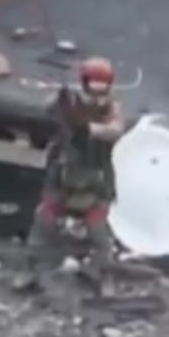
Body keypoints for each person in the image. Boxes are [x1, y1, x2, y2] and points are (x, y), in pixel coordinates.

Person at [26, 57, 126, 290]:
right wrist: (60, 101)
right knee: (44, 219)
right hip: (65, 173)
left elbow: (115, 130)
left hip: (96, 176)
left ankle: (101, 272)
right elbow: (49, 111)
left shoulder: (113, 107)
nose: (97, 89)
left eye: (102, 83)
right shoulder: (73, 101)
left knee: (98, 230)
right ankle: (34, 266)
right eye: (93, 83)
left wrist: (90, 129)